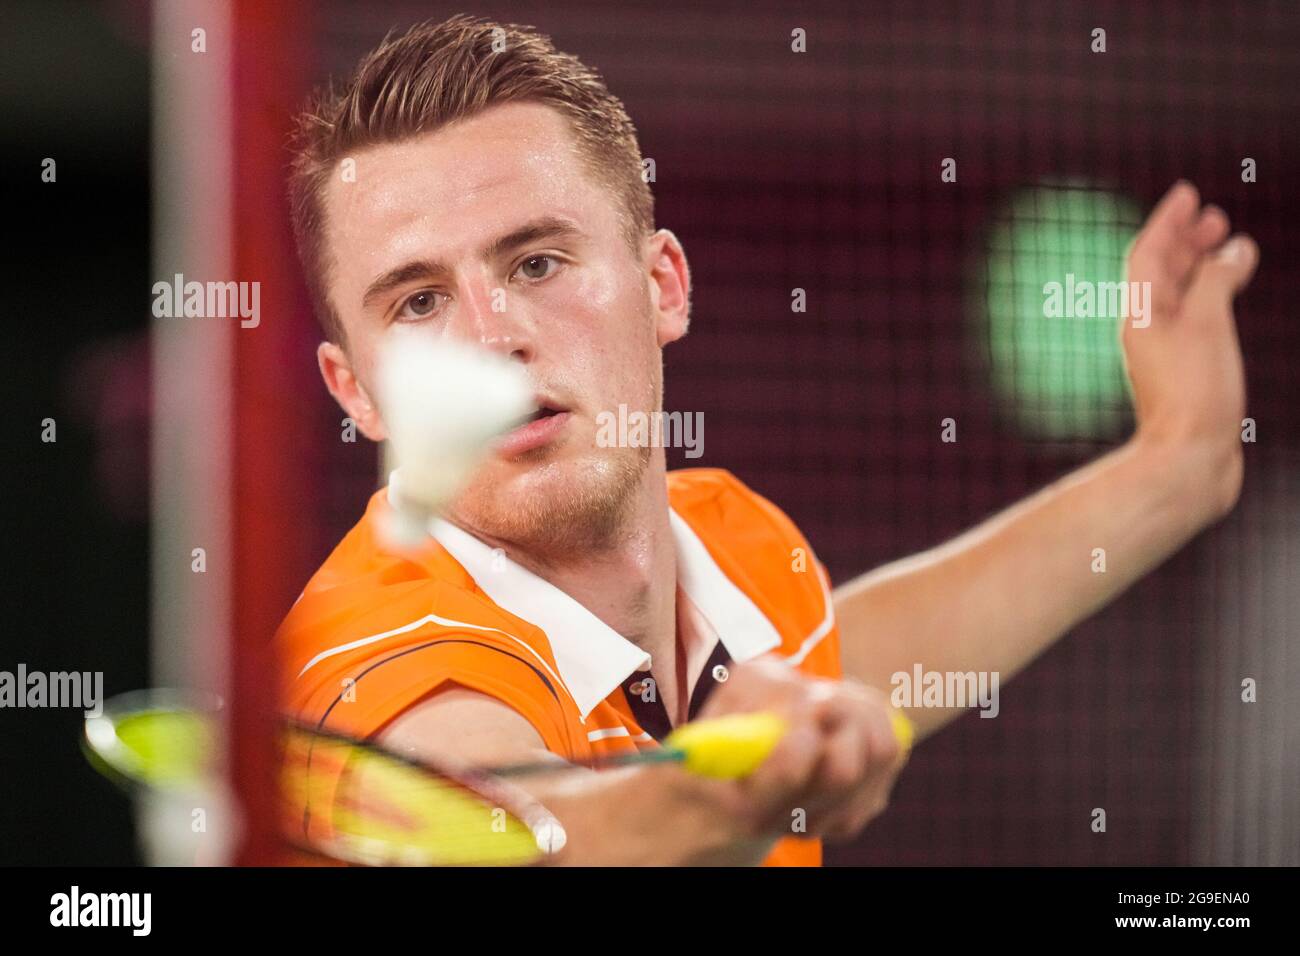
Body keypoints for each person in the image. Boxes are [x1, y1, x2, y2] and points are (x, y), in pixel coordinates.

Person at [276, 15, 1258, 866]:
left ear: (663, 284)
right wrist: (723, 792)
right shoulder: (371, 656)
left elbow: (852, 658)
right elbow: (513, 822)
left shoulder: (727, 546)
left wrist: (1178, 458)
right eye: (418, 300)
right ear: (356, 389)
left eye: (536, 261)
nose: (491, 334)